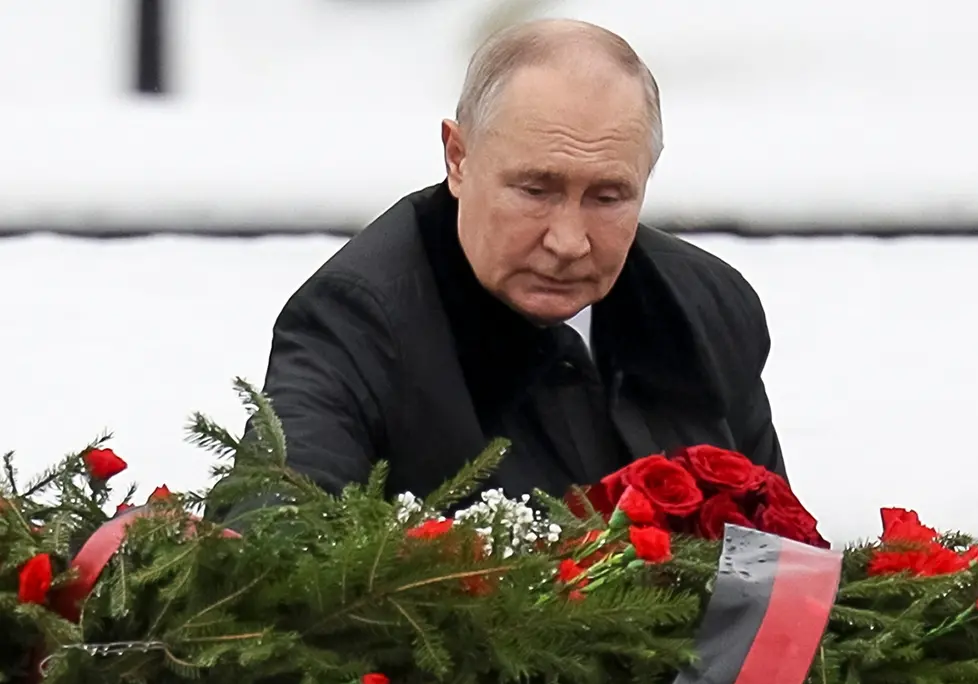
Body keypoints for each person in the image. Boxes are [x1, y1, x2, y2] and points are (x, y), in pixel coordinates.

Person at [233, 19, 786, 516]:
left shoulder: (706, 304)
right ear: (458, 157)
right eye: (535, 189)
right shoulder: (357, 322)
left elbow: (780, 561)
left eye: (608, 197)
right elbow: (274, 542)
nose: (568, 241)